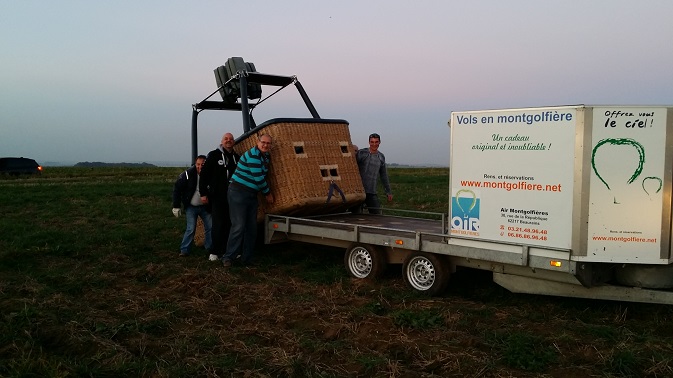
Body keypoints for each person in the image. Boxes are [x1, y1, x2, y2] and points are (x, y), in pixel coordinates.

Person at [222, 134, 274, 267]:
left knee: (251, 228)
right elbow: (259, 178)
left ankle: (247, 258)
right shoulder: (253, 155)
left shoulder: (266, 156)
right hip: (238, 192)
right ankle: (228, 257)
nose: (265, 145)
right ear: (258, 142)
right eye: (263, 142)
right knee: (239, 226)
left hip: (251, 194)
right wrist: (268, 193)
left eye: (268, 143)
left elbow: (262, 175)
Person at [200, 132, 240, 261]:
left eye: (231, 139)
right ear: (222, 141)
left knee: (230, 223)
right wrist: (203, 194)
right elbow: (204, 175)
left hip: (232, 196)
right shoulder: (213, 155)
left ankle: (228, 250)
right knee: (218, 224)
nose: (228, 141)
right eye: (226, 139)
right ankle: (215, 251)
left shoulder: (236, 157)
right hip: (217, 196)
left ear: (234, 142)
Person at [172, 155, 212, 256]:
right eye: (198, 164)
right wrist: (176, 205)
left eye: (202, 164)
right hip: (191, 206)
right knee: (191, 228)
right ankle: (184, 250)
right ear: (195, 164)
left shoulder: (210, 174)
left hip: (205, 207)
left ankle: (209, 247)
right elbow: (177, 189)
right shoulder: (187, 174)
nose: (200, 167)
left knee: (210, 226)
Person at [353, 133, 393, 214]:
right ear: (369, 142)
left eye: (376, 142)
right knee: (355, 215)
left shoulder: (381, 157)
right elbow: (352, 167)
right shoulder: (361, 153)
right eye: (372, 142)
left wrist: (388, 191)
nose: (374, 144)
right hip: (359, 191)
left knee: (377, 215)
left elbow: (384, 175)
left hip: (371, 192)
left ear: (379, 142)